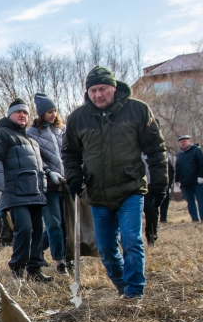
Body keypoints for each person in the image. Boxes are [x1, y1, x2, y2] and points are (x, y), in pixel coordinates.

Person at [61, 66, 168, 301]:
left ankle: (134, 292)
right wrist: (74, 176)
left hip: (130, 188)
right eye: (93, 90)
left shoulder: (138, 110)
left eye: (103, 89)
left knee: (131, 240)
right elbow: (70, 154)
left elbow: (156, 150)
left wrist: (159, 184)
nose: (98, 95)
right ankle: (121, 285)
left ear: (114, 87)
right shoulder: (78, 118)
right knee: (106, 248)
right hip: (97, 192)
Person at [0, 99, 52, 283]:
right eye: (18, 112)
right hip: (16, 193)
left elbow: (39, 165)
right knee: (24, 229)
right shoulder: (1, 134)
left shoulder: (32, 140)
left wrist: (50, 174)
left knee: (38, 230)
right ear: (10, 115)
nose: (22, 115)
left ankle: (34, 268)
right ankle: (18, 267)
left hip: (36, 192)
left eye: (25, 113)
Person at [27, 93, 67, 274]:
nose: (53, 114)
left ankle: (33, 251)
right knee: (54, 224)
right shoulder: (32, 133)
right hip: (47, 185)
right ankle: (61, 262)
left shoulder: (62, 130)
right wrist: (49, 173)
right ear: (41, 114)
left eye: (55, 110)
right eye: (49, 111)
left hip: (66, 184)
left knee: (65, 223)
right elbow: (36, 159)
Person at [174, 136, 203, 223]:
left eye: (184, 141)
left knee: (201, 200)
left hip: (197, 181)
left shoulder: (196, 150)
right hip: (185, 182)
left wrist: (201, 176)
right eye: (181, 142)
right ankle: (194, 219)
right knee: (190, 202)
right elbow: (178, 167)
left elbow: (202, 163)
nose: (183, 143)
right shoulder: (180, 153)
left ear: (189, 141)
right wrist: (177, 180)